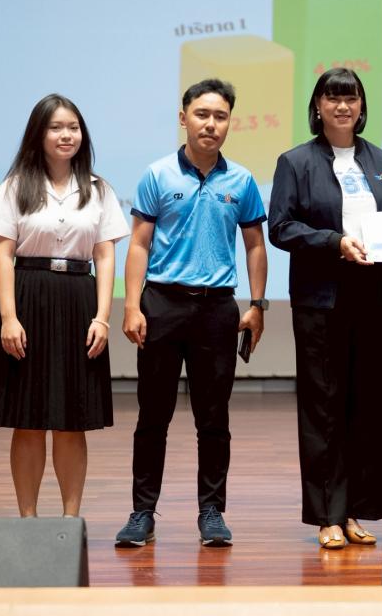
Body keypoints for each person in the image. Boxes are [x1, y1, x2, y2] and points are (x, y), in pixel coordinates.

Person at [116, 78, 267, 548]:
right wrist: (131, 304)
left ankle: (212, 512)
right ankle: (142, 512)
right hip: (162, 305)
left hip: (217, 309)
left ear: (229, 123)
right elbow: (139, 244)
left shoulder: (242, 180)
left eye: (220, 116)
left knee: (214, 419)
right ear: (184, 118)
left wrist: (257, 304)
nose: (211, 124)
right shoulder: (157, 174)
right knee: (152, 416)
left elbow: (255, 245)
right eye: (202, 114)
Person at [0, 94, 129, 517]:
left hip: (79, 299)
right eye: (56, 127)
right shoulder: (15, 185)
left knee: (71, 420)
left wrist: (102, 317)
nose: (66, 135)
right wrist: (8, 317)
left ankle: (69, 520)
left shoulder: (98, 189)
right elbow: (3, 254)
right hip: (28, 297)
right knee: (27, 419)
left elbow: (105, 256)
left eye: (73, 127)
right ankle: (28, 520)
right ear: (38, 134)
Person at [269, 67, 382, 549]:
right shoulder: (295, 161)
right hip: (322, 297)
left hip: (375, 295)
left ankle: (356, 510)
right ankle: (328, 513)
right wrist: (334, 242)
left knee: (368, 403)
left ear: (362, 106)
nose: (343, 106)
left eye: (351, 98)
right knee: (324, 405)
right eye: (333, 98)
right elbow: (281, 227)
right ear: (318, 106)